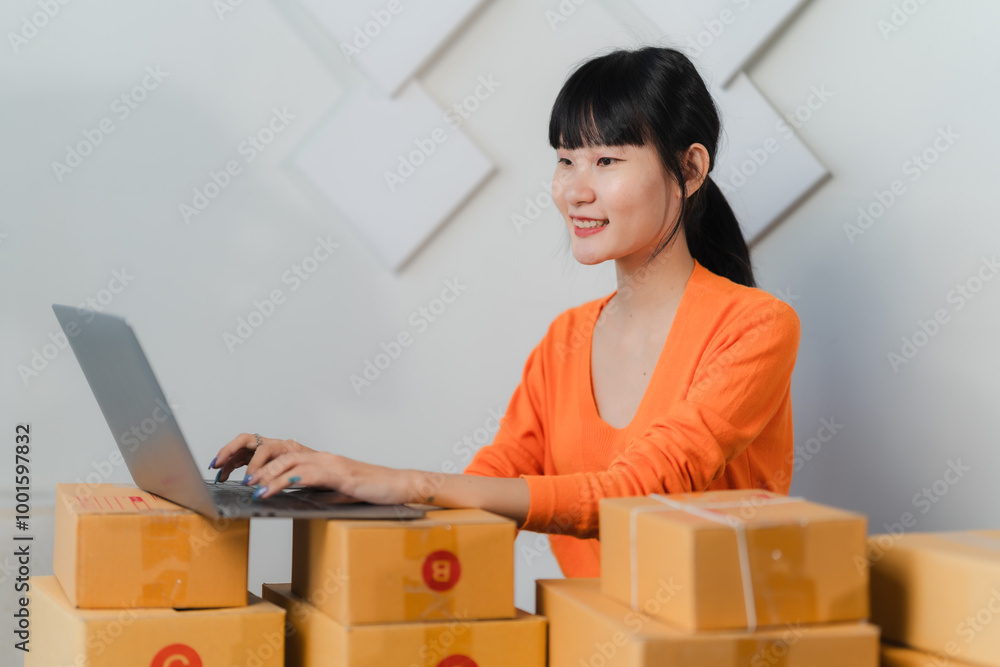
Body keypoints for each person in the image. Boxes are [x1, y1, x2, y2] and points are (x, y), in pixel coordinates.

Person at [208, 45, 801, 579]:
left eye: (607, 161)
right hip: (588, 637)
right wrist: (328, 479)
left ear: (690, 170)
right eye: (566, 160)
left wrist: (389, 480)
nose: (576, 190)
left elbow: (636, 495)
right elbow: (484, 497)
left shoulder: (755, 327)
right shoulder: (566, 340)